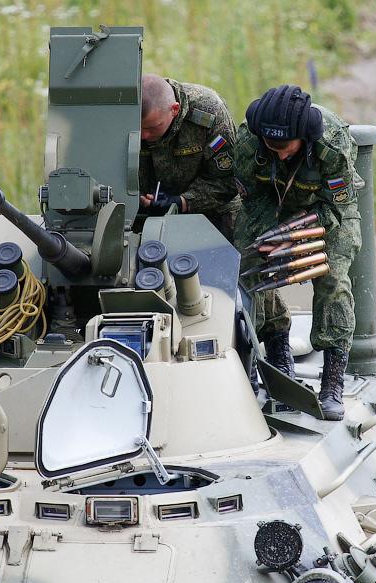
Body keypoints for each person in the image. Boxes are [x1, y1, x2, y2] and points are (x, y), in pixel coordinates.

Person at [234, 85, 363, 420]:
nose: (277, 154)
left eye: (284, 147)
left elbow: (337, 206)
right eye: (270, 146)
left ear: (303, 137)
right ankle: (275, 353)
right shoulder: (249, 141)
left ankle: (333, 381)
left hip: (326, 213)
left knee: (333, 279)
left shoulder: (333, 144)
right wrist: (267, 240)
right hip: (270, 209)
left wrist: (292, 238)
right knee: (245, 267)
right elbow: (252, 198)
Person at [138, 74, 241, 240]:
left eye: (152, 127)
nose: (143, 135)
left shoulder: (209, 113)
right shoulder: (122, 112)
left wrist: (182, 202)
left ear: (175, 109)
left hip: (209, 212)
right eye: (139, 127)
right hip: (145, 213)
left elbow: (227, 181)